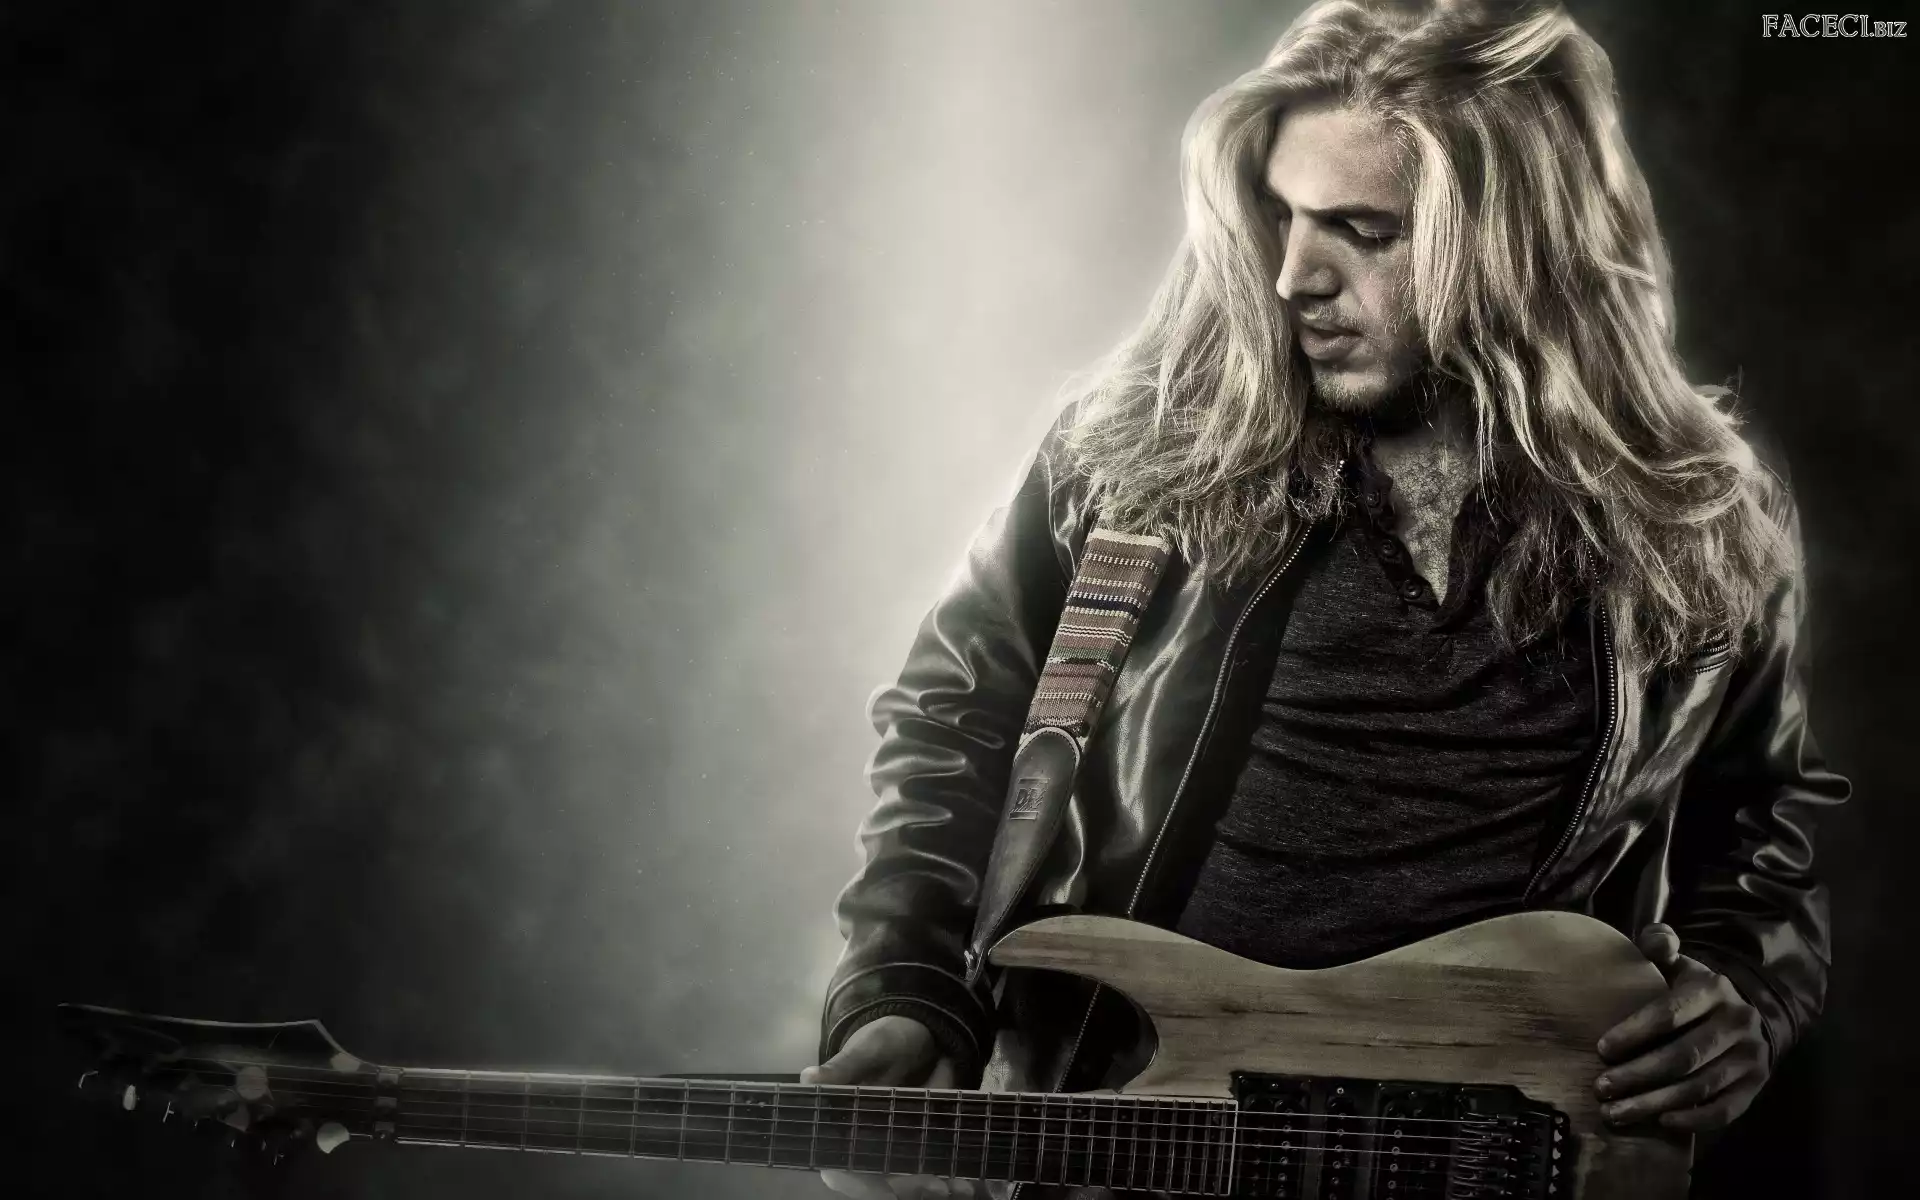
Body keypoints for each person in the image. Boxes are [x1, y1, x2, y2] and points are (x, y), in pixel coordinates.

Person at [801, 2, 1850, 1197]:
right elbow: (955, 718)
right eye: (1280, 217)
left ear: (1518, 245)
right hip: (1139, 1145)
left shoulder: (1702, 512)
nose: (1294, 276)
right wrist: (905, 987)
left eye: (1363, 230)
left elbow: (1762, 818)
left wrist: (1747, 988)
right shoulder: (1137, 459)